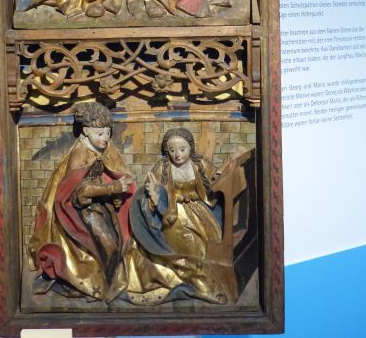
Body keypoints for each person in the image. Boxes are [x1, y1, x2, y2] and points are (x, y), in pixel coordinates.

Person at [28, 103, 135, 302]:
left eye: (108, 133)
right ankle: (97, 287)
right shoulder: (80, 154)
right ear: (85, 131)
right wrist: (113, 188)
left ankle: (108, 285)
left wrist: (118, 191)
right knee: (108, 245)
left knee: (116, 244)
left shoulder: (105, 147)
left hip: (101, 205)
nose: (105, 138)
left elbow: (116, 172)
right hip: (81, 210)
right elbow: (78, 191)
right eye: (100, 133)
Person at [125, 127, 238, 304]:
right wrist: (154, 197)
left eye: (182, 149)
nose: (177, 155)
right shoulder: (162, 168)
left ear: (190, 148)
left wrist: (225, 170)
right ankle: (192, 280)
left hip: (200, 213)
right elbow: (149, 196)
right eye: (172, 150)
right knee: (188, 250)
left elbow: (217, 183)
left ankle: (205, 278)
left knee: (208, 247)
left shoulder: (200, 165)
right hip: (172, 215)